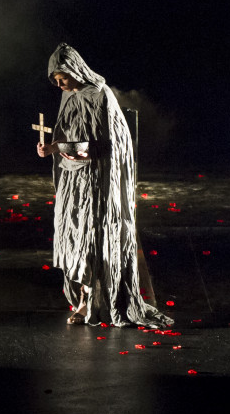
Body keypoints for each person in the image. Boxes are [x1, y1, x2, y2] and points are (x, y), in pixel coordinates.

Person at [37, 43, 172, 328]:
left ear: (75, 70)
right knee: (74, 237)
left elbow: (113, 143)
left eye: (63, 79)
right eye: (56, 81)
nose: (60, 85)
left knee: (92, 240)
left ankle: (95, 302)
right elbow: (66, 134)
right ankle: (82, 301)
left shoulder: (101, 94)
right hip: (74, 180)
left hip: (98, 181)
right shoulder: (67, 97)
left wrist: (81, 149)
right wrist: (51, 148)